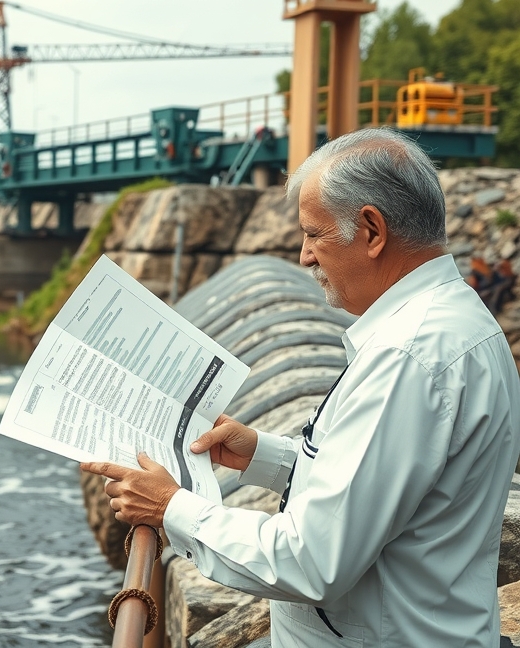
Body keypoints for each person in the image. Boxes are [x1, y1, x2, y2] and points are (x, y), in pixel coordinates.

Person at [82, 128, 520, 647]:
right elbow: (379, 486)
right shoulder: (452, 321)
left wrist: (170, 508)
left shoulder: (409, 357)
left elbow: (313, 560)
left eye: (314, 234)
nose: (305, 256)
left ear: (371, 230)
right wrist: (262, 455)